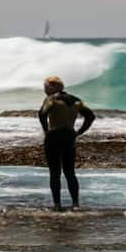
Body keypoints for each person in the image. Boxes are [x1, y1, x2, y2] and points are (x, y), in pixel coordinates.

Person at [38, 76, 95, 211]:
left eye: (46, 86)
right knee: (70, 172)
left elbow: (42, 114)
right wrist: (79, 132)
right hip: (69, 136)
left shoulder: (51, 99)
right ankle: (75, 204)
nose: (44, 89)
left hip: (54, 136)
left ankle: (57, 205)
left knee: (55, 172)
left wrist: (46, 130)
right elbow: (90, 116)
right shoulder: (76, 100)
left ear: (53, 86)